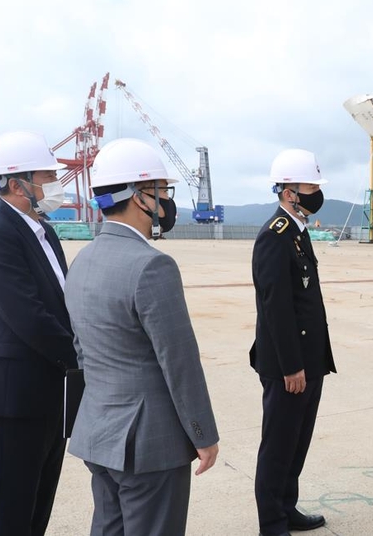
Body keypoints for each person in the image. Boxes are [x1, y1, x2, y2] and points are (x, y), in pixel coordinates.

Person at [64, 138, 219, 535]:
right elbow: (179, 361)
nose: (166, 201)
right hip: (150, 445)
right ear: (139, 197)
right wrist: (203, 435)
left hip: (99, 433)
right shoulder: (152, 265)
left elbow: (82, 349)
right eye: (162, 191)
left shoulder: (83, 260)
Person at [0, 130, 77, 535]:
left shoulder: (41, 228)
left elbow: (61, 299)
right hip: (15, 395)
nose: (53, 183)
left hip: (48, 391)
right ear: (16, 182)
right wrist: (84, 354)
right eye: (46, 175)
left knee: (38, 506)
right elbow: (29, 317)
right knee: (10, 513)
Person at [250, 148, 337, 536]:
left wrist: (313, 360)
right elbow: (276, 308)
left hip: (309, 360)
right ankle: (271, 522)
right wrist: (291, 366)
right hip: (289, 365)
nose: (317, 193)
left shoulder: (298, 234)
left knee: (297, 442)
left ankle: (287, 507)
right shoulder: (275, 237)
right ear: (289, 192)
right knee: (279, 445)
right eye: (311, 186)